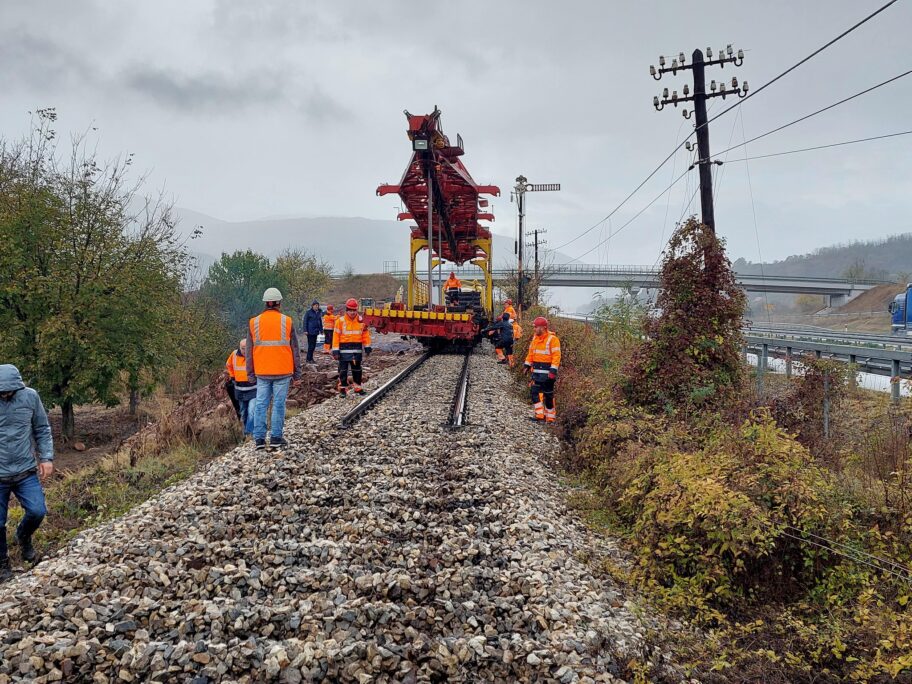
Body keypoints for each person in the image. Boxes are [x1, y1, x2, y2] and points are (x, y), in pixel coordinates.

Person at [0, 364, 53, 581]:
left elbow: (42, 428)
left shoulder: (30, 397)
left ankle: (23, 537)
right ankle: (3, 564)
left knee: (37, 511)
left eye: (9, 391)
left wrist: (47, 457)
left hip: (25, 470)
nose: (5, 394)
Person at [247, 288, 301, 450]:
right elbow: (295, 350)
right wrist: (297, 374)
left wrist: (250, 373)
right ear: (279, 303)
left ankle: (260, 440)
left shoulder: (254, 322)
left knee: (261, 404)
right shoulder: (288, 321)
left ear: (265, 303)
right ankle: (276, 438)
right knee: (278, 404)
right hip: (283, 370)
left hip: (262, 370)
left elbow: (249, 352)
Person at [523, 316, 561, 423]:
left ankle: (550, 418)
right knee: (534, 392)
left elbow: (556, 356)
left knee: (548, 395)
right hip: (536, 373)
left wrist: (553, 371)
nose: (534, 329)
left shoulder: (553, 339)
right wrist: (526, 365)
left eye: (536, 327)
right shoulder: (535, 338)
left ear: (543, 327)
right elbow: (531, 353)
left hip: (548, 374)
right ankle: (540, 415)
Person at [332, 298, 372, 396]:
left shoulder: (361, 321)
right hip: (343, 350)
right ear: (347, 310)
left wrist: (367, 346)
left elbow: (365, 334)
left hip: (356, 350)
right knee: (343, 370)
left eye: (354, 310)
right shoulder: (340, 321)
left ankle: (358, 387)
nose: (352, 312)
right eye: (350, 310)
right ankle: (342, 389)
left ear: (356, 310)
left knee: (357, 370)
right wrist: (335, 351)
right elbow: (336, 336)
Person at [225, 339, 256, 437]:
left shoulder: (254, 353)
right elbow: (228, 365)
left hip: (253, 389)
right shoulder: (234, 355)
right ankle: (247, 433)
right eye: (243, 349)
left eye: (247, 348)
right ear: (240, 347)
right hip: (239, 390)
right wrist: (232, 376)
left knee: (252, 411)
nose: (245, 351)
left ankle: (248, 432)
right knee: (243, 412)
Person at [303, 300, 323, 364]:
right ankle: (308, 359)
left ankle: (311, 358)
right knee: (311, 346)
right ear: (312, 306)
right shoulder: (308, 312)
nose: (317, 306)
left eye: (317, 305)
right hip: (310, 331)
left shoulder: (319, 312)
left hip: (316, 331)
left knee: (314, 346)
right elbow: (305, 321)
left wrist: (321, 330)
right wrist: (305, 330)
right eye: (315, 305)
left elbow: (320, 322)